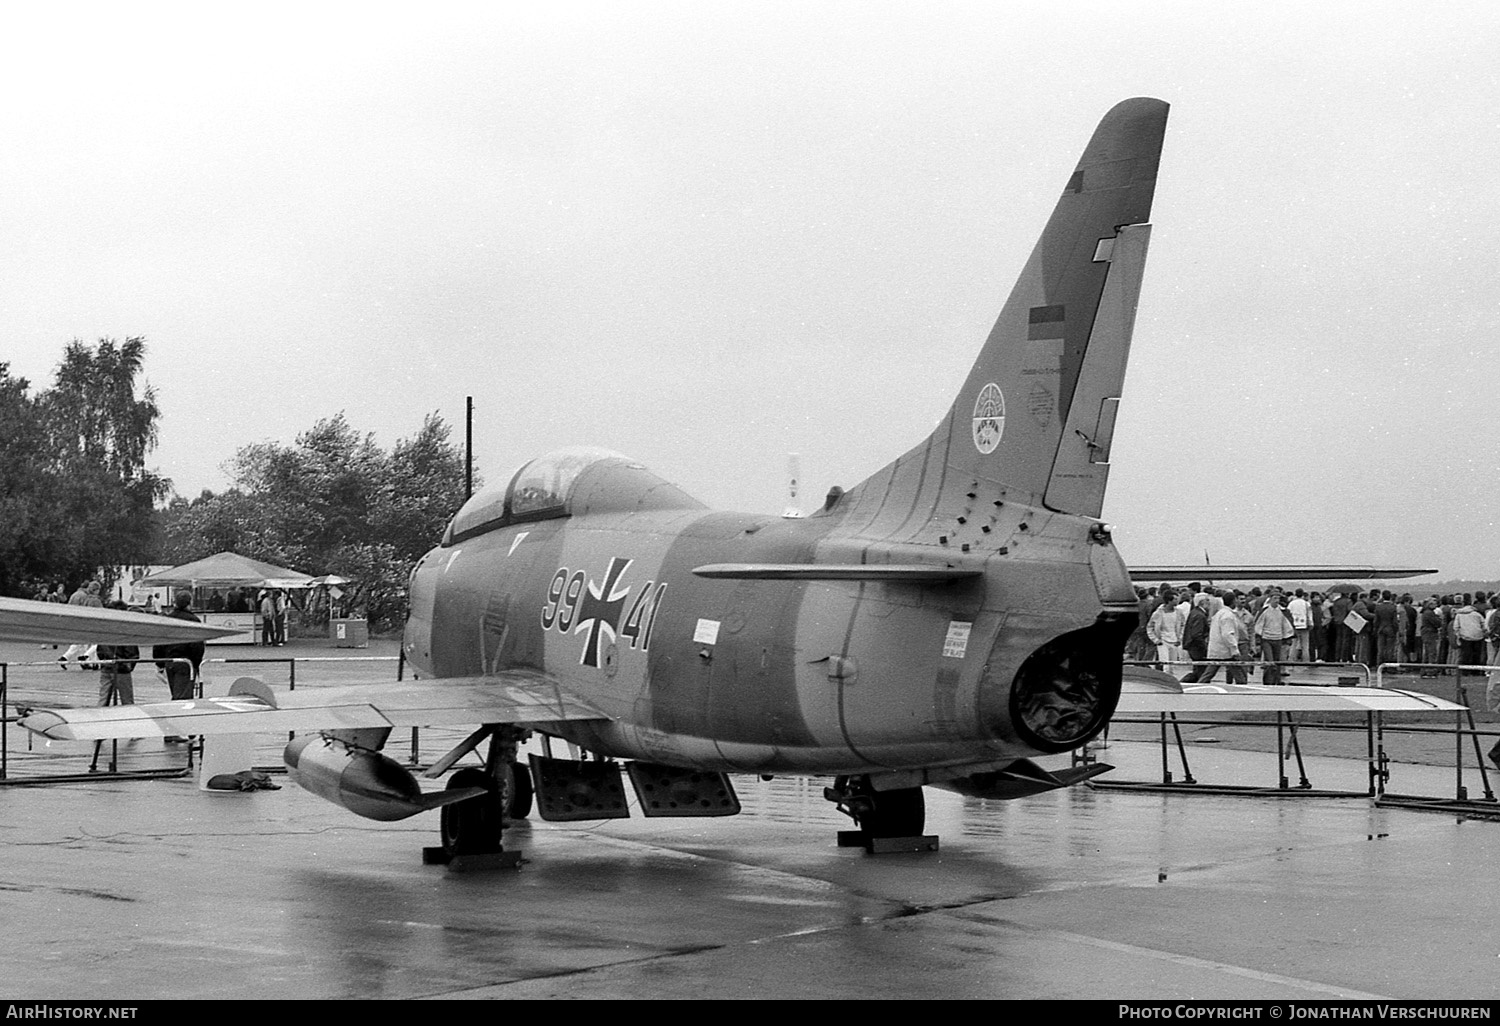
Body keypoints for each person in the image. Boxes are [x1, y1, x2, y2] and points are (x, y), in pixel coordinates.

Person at [153, 592, 206, 706]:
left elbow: (159, 642)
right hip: (186, 663)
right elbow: (197, 646)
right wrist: (196, 664)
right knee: (183, 698)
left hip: (170, 662)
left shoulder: (167, 619)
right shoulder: (193, 620)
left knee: (176, 693)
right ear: (189, 603)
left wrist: (159, 663)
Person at [95, 602, 139, 706]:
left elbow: (99, 649)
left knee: (103, 699)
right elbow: (131, 652)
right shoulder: (126, 630)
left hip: (106, 667)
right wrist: (129, 665)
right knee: (127, 701)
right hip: (122, 669)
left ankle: (100, 718)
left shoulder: (105, 629)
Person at [1253, 589, 1295, 685]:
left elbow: (1286, 625)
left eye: (1278, 598)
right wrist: (1259, 638)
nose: (1277, 600)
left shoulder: (1283, 611)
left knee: (1277, 661)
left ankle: (1276, 680)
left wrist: (1288, 636)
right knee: (1269, 661)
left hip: (1278, 638)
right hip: (1267, 639)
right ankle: (1267, 681)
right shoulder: (1265, 611)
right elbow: (1259, 624)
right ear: (1270, 599)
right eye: (1275, 598)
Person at [59, 581, 104, 669]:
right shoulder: (93, 599)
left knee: (82, 642)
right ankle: (86, 658)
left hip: (80, 622)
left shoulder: (81, 596)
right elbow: (101, 612)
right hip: (92, 623)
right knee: (95, 642)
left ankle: (91, 662)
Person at [1179, 592, 1212, 683]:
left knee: (1198, 670)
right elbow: (1197, 634)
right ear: (1201, 602)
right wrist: (1204, 646)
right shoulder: (1200, 615)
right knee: (1201, 670)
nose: (1209, 602)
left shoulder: (1194, 612)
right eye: (1207, 600)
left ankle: (1186, 682)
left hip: (1192, 646)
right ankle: (1186, 682)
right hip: (1196, 647)